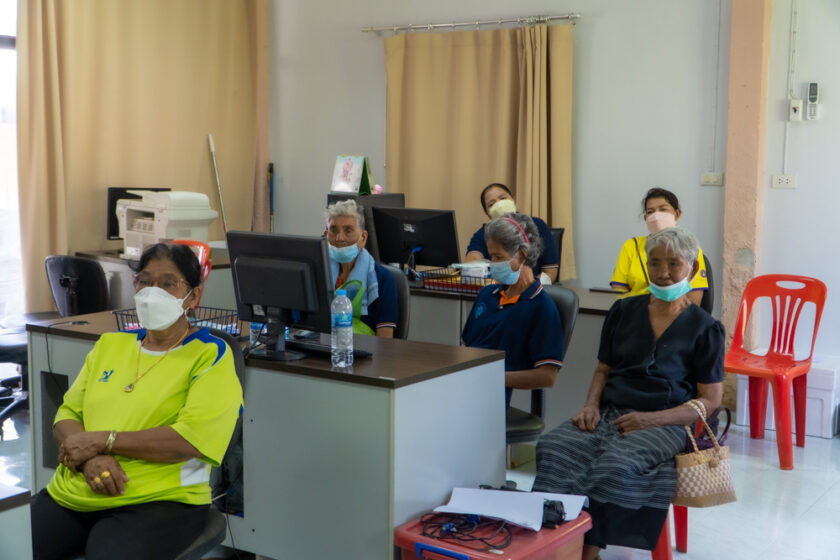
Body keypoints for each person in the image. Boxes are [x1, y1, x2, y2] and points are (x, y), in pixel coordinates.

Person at [30, 243, 243, 560]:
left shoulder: (210, 355)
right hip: (78, 489)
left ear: (193, 297)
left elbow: (190, 440)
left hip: (161, 501)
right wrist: (91, 460)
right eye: (145, 281)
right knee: (12, 539)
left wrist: (103, 441)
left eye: (168, 283)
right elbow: (67, 415)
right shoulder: (109, 345)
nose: (152, 292)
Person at [533, 227, 724, 559]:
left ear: (692, 268)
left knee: (616, 465)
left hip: (668, 421)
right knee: (555, 447)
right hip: (611, 411)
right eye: (655, 263)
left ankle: (587, 551)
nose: (663, 272)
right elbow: (603, 370)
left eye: (674, 264)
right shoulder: (623, 311)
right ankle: (555, 542)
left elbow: (710, 400)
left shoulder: (706, 328)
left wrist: (651, 420)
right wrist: (590, 406)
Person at [461, 213, 565, 408]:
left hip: (490, 401)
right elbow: (466, 347)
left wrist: (493, 378)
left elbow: (548, 376)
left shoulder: (541, 308)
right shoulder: (486, 295)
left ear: (522, 255)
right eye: (491, 256)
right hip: (463, 388)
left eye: (498, 257)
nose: (492, 264)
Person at [610, 187, 709, 306]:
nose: (656, 216)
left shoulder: (690, 248)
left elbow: (694, 300)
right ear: (646, 218)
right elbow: (618, 292)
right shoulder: (632, 246)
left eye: (663, 209)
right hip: (634, 312)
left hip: (677, 313)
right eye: (650, 212)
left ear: (677, 214)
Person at [325, 199, 398, 337]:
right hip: (320, 346)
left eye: (348, 231)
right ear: (326, 236)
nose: (339, 238)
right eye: (333, 231)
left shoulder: (382, 278)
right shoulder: (319, 273)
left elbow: (386, 340)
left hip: (363, 349)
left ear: (363, 238)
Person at [465, 183, 559, 283]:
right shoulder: (484, 233)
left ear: (513, 200)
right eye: (492, 204)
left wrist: (527, 287)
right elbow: (471, 262)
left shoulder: (536, 225)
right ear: (487, 213)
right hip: (497, 287)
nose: (499, 204)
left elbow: (550, 272)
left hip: (532, 286)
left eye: (503, 198)